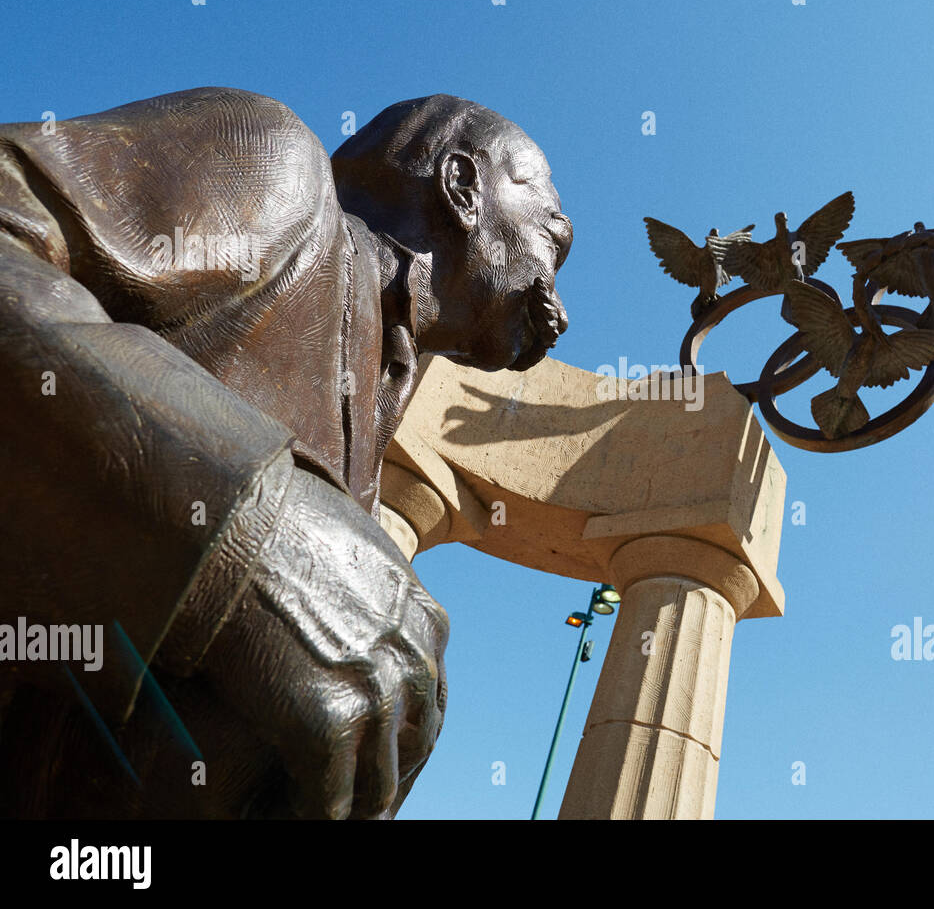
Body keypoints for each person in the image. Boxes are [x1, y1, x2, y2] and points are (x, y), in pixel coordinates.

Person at [0, 87, 570, 817]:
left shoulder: (377, 383)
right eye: (555, 238)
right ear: (463, 187)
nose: (559, 294)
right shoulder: (277, 169)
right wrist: (250, 536)